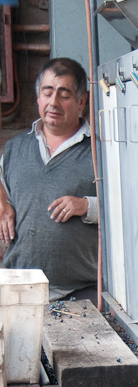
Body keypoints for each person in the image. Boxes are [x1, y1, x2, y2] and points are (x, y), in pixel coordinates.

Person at [0, 57, 98, 302]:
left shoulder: (100, 152)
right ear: (38, 99)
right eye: (48, 92)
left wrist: (86, 205)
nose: (54, 102)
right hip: (17, 288)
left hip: (79, 292)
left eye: (64, 94)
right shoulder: (15, 148)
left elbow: (129, 208)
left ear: (81, 101)